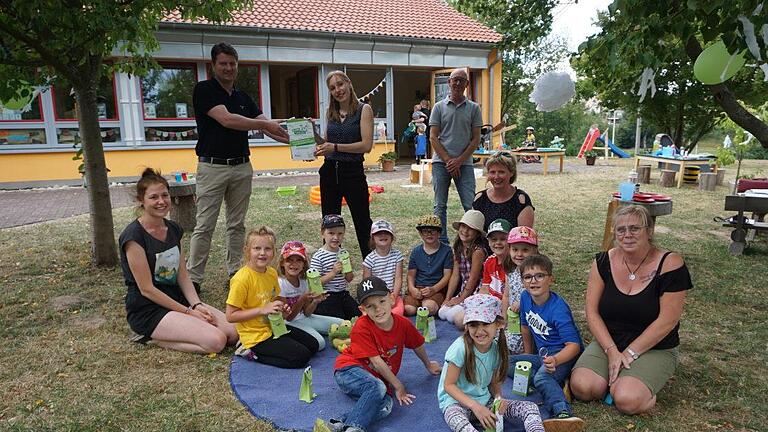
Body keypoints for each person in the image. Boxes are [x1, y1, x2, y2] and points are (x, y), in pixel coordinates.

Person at [570, 205, 692, 415]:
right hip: (610, 341)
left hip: (655, 346)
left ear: (650, 231)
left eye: (635, 228)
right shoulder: (602, 261)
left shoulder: (670, 264)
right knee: (583, 388)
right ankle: (615, 378)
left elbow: (667, 321)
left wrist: (628, 353)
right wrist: (611, 351)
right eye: (621, 229)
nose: (627, 235)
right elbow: (592, 312)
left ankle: (636, 387)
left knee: (627, 400)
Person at [188, 42, 289, 292]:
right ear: (214, 65)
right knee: (204, 226)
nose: (228, 68)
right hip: (212, 167)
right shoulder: (204, 90)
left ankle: (234, 271)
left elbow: (266, 125)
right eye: (223, 63)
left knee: (236, 225)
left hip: (241, 167)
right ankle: (193, 279)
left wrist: (300, 140)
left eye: (232, 63)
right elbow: (227, 119)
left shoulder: (243, 97)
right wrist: (265, 125)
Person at [119, 168, 237, 353]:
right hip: (149, 308)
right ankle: (152, 338)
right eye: (153, 197)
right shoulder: (134, 237)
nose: (161, 201)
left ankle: (184, 323)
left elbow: (182, 276)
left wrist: (197, 305)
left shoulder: (174, 229)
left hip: (178, 300)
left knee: (232, 332)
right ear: (141, 200)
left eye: (164, 195)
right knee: (217, 341)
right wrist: (189, 313)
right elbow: (147, 289)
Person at [329, 276, 442, 432]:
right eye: (370, 306)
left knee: (386, 407)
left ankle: (340, 423)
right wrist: (398, 385)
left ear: (391, 299)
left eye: (382, 301)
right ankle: (355, 428)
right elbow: (376, 362)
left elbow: (417, 344)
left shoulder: (402, 324)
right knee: (377, 388)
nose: (378, 309)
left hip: (378, 380)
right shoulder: (361, 326)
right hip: (348, 370)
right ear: (363, 310)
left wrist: (428, 365)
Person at [437, 293, 548, 432]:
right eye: (473, 325)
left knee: (530, 407)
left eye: (485, 323)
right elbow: (448, 386)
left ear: (499, 324)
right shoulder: (459, 348)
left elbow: (493, 382)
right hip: (455, 403)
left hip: (484, 400)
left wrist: (498, 397)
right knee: (457, 420)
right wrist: (475, 407)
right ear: (466, 326)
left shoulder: (496, 348)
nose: (479, 331)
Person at [226, 226, 319, 368]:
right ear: (247, 251)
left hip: (275, 327)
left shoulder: (271, 273)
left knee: (313, 346)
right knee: (302, 357)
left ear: (274, 252)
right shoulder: (241, 279)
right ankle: (250, 352)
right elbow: (231, 316)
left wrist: (283, 308)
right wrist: (262, 310)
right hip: (255, 337)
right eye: (257, 248)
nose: (262, 253)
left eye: (267, 249)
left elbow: (275, 299)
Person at [510, 255, 585, 429]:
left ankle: (563, 412)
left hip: (564, 356)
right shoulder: (525, 298)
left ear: (551, 279)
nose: (533, 281)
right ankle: (550, 381)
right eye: (528, 277)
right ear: (522, 281)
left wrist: (556, 360)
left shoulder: (558, 308)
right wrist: (528, 354)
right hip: (543, 356)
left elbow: (574, 346)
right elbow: (525, 327)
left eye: (540, 276)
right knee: (506, 362)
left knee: (542, 378)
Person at [313, 70, 374, 258]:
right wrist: (310, 132)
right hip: (330, 172)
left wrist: (335, 147)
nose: (337, 90)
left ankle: (371, 266)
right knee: (330, 225)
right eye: (332, 88)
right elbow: (325, 143)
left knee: (362, 222)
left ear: (348, 84)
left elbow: (366, 145)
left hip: (352, 172)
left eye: (340, 84)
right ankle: (330, 268)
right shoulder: (330, 113)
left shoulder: (364, 109)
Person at [429, 68, 482, 242]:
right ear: (449, 82)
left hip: (464, 164)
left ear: (467, 84)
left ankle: (473, 242)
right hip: (440, 164)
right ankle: (441, 242)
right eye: (455, 80)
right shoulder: (438, 107)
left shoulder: (474, 109)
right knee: (440, 205)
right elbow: (433, 137)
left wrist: (458, 161)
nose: (458, 83)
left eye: (461, 80)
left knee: (470, 204)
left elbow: (475, 139)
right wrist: (448, 161)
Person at [277, 240, 343, 351]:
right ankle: (291, 339)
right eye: (289, 260)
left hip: (304, 318)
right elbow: (288, 317)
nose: (294, 264)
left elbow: (307, 313)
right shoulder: (280, 283)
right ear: (282, 263)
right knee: (320, 343)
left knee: (342, 324)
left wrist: (315, 301)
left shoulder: (304, 281)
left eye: (299, 260)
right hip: (288, 323)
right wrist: (302, 299)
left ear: (304, 264)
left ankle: (308, 333)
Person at [479, 219, 523, 355]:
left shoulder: (518, 267)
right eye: (494, 239)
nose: (498, 243)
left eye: (502, 239)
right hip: (500, 308)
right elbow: (489, 289)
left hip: (516, 314)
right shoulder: (490, 262)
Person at [438, 210, 487, 328]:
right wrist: (448, 298)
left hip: (475, 292)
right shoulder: (458, 248)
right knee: (442, 313)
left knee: (451, 317)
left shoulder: (478, 251)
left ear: (477, 233)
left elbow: (473, 279)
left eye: (470, 228)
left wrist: (461, 299)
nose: (465, 231)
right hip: (464, 290)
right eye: (463, 226)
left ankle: (475, 317)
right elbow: (455, 275)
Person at [309, 214, 360, 320]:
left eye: (340, 233)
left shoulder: (343, 253)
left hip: (343, 293)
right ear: (322, 233)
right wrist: (333, 273)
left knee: (358, 315)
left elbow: (349, 279)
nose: (336, 237)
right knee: (338, 320)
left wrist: (348, 268)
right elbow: (315, 283)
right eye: (331, 233)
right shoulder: (319, 256)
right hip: (327, 296)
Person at [472, 151, 535, 232]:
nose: (496, 177)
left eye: (501, 172)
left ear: (511, 172)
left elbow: (524, 238)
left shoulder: (521, 201)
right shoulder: (480, 198)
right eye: (492, 172)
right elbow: (472, 232)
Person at [405, 215, 454, 316]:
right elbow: (410, 275)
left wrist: (434, 289)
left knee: (429, 308)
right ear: (420, 234)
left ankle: (424, 307)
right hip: (418, 288)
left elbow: (447, 275)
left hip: (436, 289)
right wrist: (412, 289)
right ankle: (417, 306)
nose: (429, 234)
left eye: (433, 231)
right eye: (425, 231)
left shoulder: (447, 251)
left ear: (439, 233)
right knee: (408, 310)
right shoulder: (416, 252)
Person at [362, 219, 405, 316]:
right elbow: (366, 283)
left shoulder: (397, 256)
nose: (383, 235)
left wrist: (393, 296)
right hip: (375, 296)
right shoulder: (369, 260)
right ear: (373, 238)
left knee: (398, 312)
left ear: (392, 237)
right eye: (378, 234)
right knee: (370, 313)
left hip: (392, 294)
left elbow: (398, 279)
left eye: (386, 233)